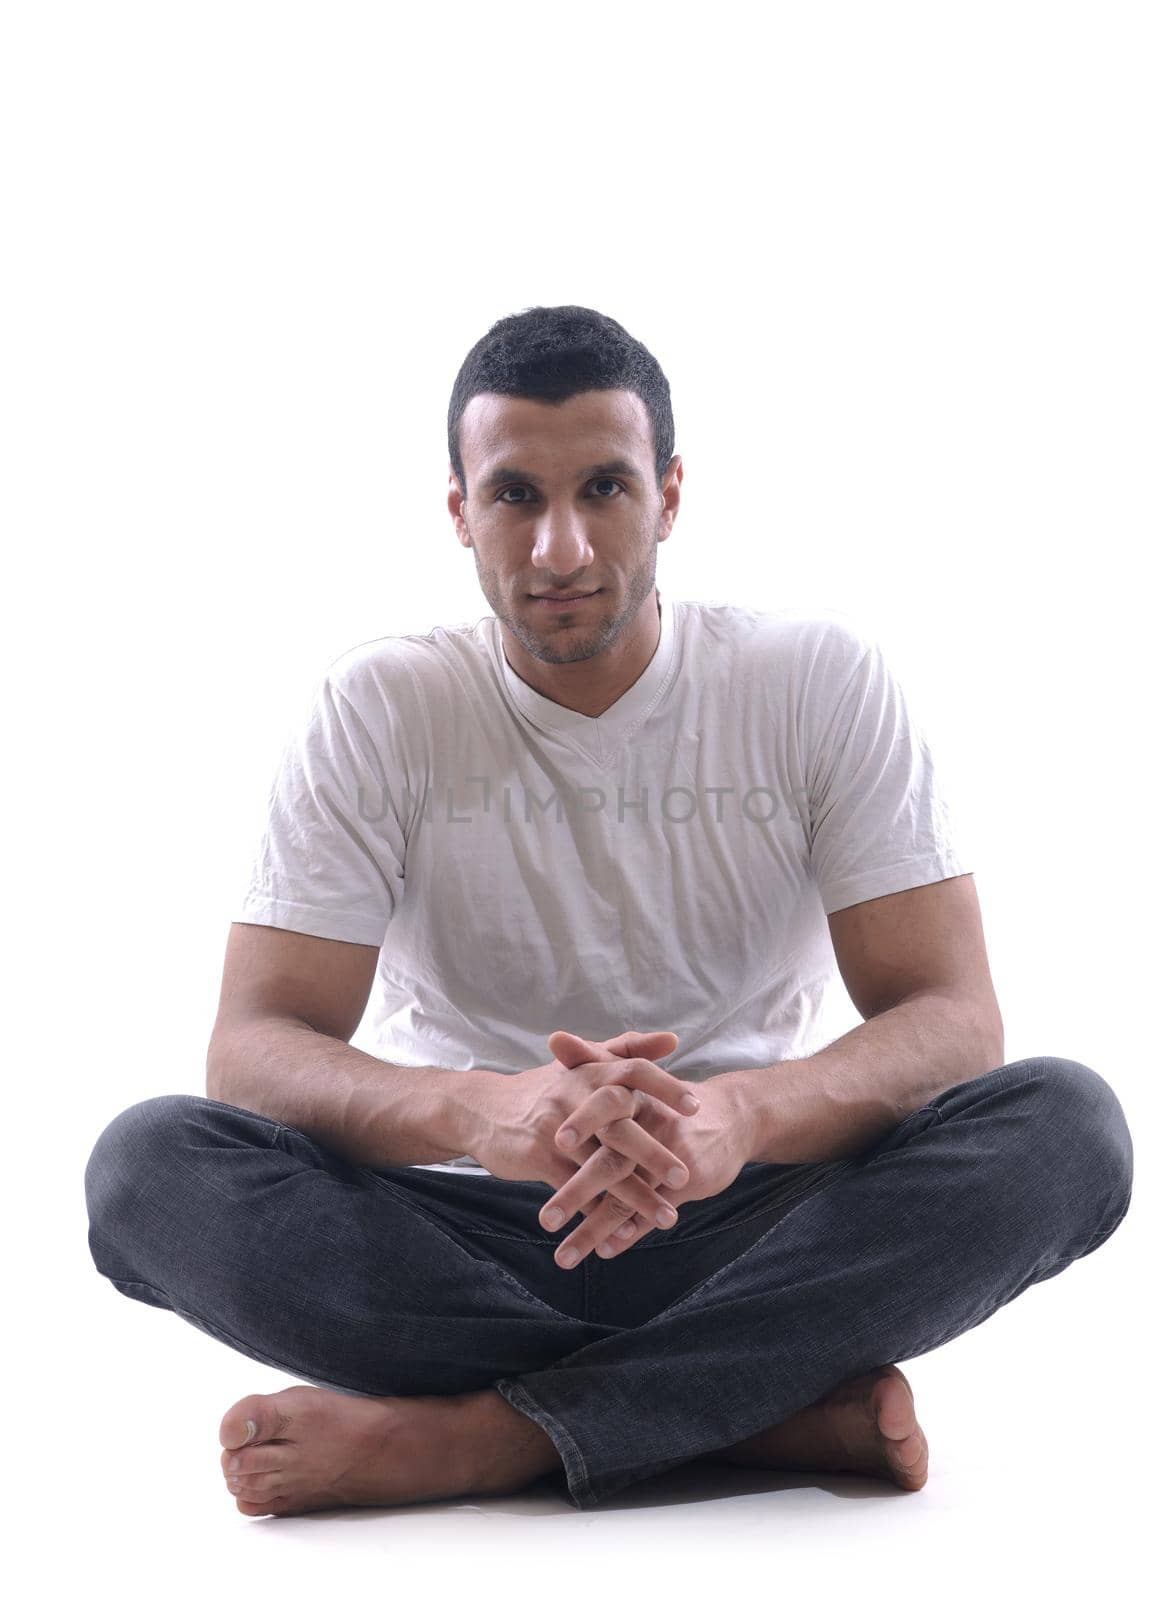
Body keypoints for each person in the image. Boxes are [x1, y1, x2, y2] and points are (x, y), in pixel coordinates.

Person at [84, 304, 1134, 1518]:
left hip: (755, 1214)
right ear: (458, 510)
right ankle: (749, 1402)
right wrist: (480, 1112)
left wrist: (737, 1114)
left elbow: (954, 1020)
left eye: (605, 488)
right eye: (517, 495)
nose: (561, 548)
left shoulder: (814, 678)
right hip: (467, 1229)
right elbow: (252, 1050)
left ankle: (491, 1439)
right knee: (146, 1168)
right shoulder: (381, 704)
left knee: (1067, 1128)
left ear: (672, 495)